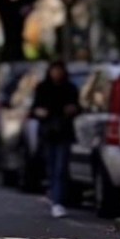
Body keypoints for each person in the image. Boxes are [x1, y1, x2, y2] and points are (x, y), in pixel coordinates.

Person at [32, 60, 79, 218]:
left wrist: (72, 109)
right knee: (51, 166)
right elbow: (34, 109)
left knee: (61, 168)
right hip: (48, 133)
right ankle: (53, 194)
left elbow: (77, 107)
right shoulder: (43, 88)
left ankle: (58, 202)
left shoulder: (70, 88)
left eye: (59, 70)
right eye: (54, 70)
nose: (56, 73)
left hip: (64, 132)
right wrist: (40, 112)